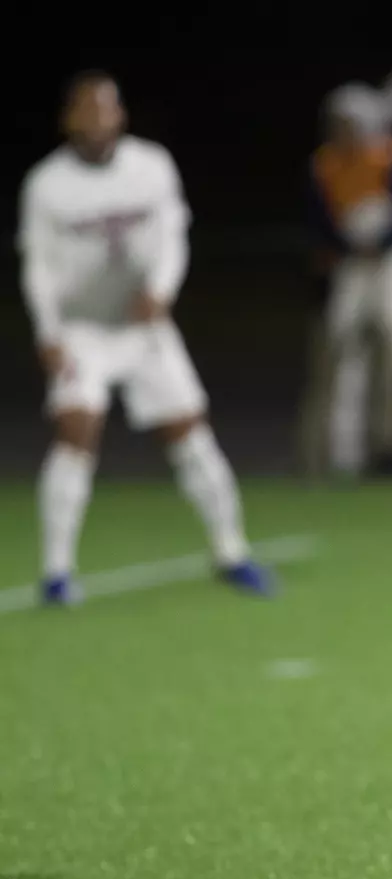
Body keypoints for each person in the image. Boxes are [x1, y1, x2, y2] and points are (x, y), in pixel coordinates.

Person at [19, 70, 271, 605]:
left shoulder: (150, 166)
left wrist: (161, 290)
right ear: (68, 120)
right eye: (85, 110)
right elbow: (37, 266)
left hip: (143, 326)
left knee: (190, 434)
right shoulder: (47, 184)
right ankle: (56, 572)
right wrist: (48, 332)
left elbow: (173, 237)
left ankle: (232, 552)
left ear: (120, 115)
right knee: (76, 431)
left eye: (105, 109)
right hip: (82, 327)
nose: (96, 120)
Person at [299, 83, 392, 478]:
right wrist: (348, 245)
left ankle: (386, 450)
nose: (344, 133)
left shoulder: (391, 161)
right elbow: (318, 220)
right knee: (333, 353)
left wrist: (381, 241)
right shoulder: (324, 165)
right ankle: (318, 457)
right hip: (349, 266)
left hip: (390, 265)